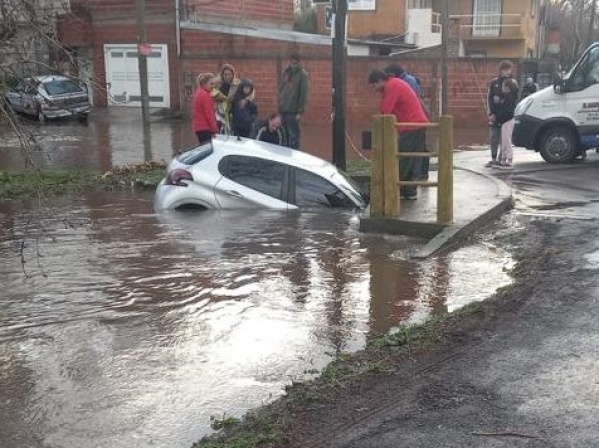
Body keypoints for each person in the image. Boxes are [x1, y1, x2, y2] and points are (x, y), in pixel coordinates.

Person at [368, 69, 429, 200]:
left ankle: (404, 191)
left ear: (380, 80)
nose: (374, 90)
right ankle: (407, 191)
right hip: (414, 125)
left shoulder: (392, 86)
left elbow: (386, 110)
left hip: (412, 126)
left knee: (405, 160)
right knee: (409, 158)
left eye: (374, 86)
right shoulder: (394, 84)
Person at [384, 63, 430, 180]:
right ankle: (419, 176)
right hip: (416, 119)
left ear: (392, 75)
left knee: (415, 152)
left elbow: (414, 99)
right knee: (417, 150)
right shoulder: (405, 80)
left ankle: (419, 176)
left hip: (414, 121)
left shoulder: (404, 82)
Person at [278, 51, 310, 150]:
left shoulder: (303, 75)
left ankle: (294, 156)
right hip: (283, 108)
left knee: (294, 136)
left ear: (299, 62)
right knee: (284, 134)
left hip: (293, 111)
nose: (293, 65)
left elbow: (303, 94)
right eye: (291, 62)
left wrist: (300, 112)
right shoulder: (286, 72)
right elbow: (281, 89)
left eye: (295, 62)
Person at [486, 60, 515, 167]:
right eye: (504, 70)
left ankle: (503, 158)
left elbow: (512, 100)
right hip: (495, 115)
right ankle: (493, 158)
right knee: (494, 137)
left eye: (508, 69)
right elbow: (489, 98)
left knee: (505, 138)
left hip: (506, 116)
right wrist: (491, 113)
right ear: (500, 70)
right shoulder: (494, 83)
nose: (506, 72)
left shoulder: (512, 83)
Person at [495, 78, 519, 169]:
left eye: (503, 86)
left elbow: (506, 111)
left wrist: (499, 119)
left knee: (506, 140)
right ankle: (504, 158)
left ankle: (509, 158)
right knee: (504, 140)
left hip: (507, 120)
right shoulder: (509, 97)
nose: (502, 88)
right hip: (506, 121)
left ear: (507, 87)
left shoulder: (509, 98)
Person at [192, 72, 219, 145]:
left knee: (203, 148)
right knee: (208, 150)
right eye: (211, 84)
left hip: (198, 127)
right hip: (205, 127)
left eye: (214, 84)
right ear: (204, 83)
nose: (213, 86)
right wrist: (215, 130)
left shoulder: (198, 92)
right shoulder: (206, 96)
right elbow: (209, 114)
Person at [211, 64, 238, 134]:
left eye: (229, 74)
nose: (227, 77)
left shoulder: (236, 86)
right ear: (222, 75)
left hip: (232, 117)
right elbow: (213, 98)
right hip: (219, 116)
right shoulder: (216, 86)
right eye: (225, 74)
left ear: (233, 75)